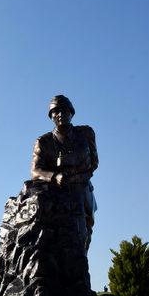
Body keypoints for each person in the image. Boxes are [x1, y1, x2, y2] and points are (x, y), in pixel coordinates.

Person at [31, 94, 98, 247]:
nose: (60, 114)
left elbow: (94, 163)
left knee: (86, 227)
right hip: (57, 190)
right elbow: (35, 171)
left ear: (71, 113)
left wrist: (77, 176)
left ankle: (80, 263)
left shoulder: (86, 134)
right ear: (51, 116)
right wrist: (55, 176)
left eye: (64, 110)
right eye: (56, 111)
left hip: (82, 187)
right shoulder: (43, 142)